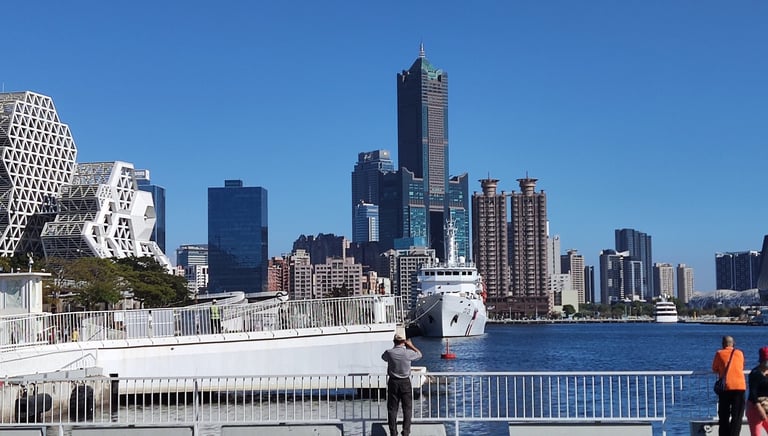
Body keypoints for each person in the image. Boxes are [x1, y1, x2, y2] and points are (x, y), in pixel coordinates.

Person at [381, 333, 422, 436]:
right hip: (405, 382)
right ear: (403, 342)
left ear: (394, 341)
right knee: (407, 409)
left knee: (392, 409)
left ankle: (393, 433)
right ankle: (406, 432)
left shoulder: (389, 352)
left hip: (393, 381)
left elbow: (383, 357)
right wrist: (411, 345)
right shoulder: (408, 353)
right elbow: (420, 354)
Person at [713, 335, 747, 436]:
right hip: (740, 386)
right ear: (733, 343)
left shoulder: (719, 353)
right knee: (737, 416)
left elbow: (714, 368)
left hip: (726, 387)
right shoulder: (739, 353)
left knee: (724, 415)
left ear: (723, 344)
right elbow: (741, 366)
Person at [746, 346, 768, 436]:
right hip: (755, 407)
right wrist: (760, 410)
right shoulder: (755, 373)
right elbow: (753, 393)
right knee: (756, 433)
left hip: (767, 406)